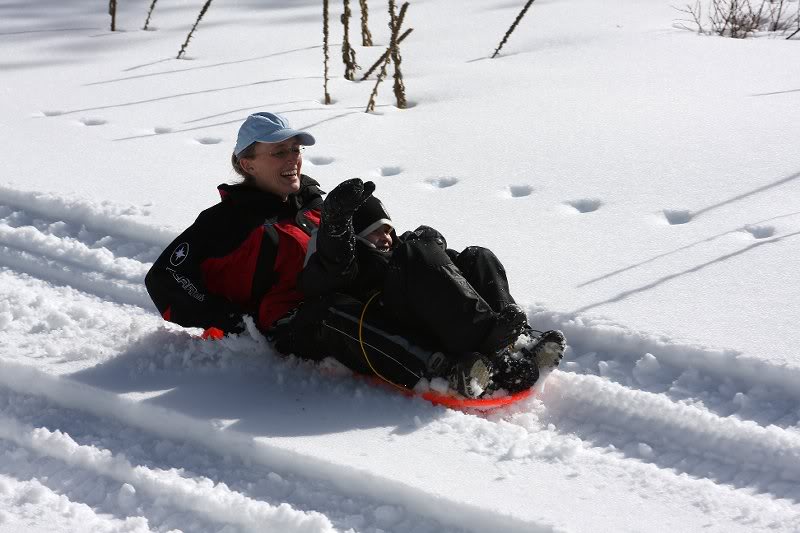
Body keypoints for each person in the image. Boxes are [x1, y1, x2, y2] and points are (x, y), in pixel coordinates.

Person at [292, 178, 566, 398]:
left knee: (476, 256)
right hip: (396, 319)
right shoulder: (346, 260)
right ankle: (488, 341)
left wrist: (436, 247)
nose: (386, 238)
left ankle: (517, 341)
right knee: (415, 253)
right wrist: (337, 228)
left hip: (438, 317)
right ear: (356, 237)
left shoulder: (397, 250)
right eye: (376, 231)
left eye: (388, 230)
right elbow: (331, 268)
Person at [145, 112, 323, 336]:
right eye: (279, 151)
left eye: (295, 149)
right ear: (248, 165)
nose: (292, 158)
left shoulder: (310, 202)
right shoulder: (230, 220)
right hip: (301, 331)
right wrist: (231, 320)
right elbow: (164, 277)